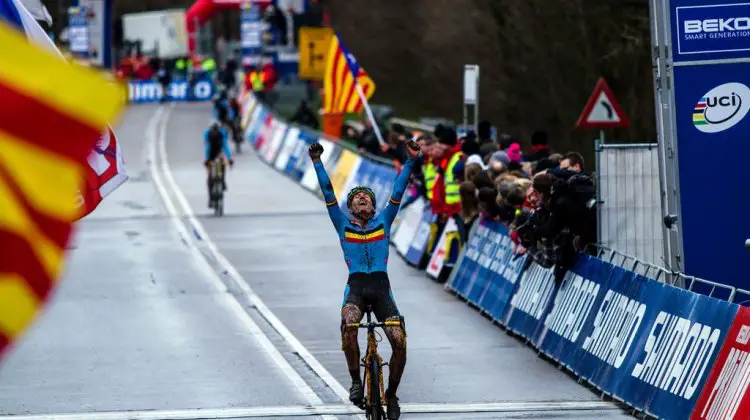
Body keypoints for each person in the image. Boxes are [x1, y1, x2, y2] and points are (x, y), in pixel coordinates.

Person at [308, 139, 421, 420]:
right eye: (356, 197)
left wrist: (410, 160)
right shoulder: (341, 223)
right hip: (356, 287)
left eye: (367, 197)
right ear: (350, 206)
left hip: (382, 290)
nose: (361, 198)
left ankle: (392, 395)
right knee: (348, 326)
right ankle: (356, 382)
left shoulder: (384, 221)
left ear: (373, 206)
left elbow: (399, 189)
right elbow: (327, 191)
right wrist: (317, 162)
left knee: (399, 342)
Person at [203, 120, 233, 207]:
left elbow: (225, 146)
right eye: (213, 130)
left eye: (216, 130)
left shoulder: (222, 133)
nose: (214, 132)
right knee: (209, 177)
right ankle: (210, 197)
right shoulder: (207, 134)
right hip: (211, 153)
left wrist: (230, 158)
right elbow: (207, 147)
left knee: (223, 164)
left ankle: (222, 180)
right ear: (210, 129)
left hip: (219, 152)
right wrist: (207, 160)